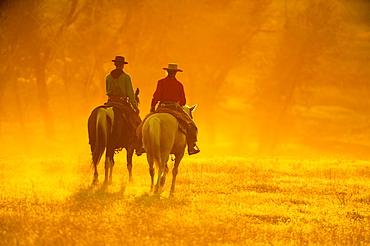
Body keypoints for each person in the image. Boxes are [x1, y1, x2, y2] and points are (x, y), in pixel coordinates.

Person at [150, 63, 200, 155]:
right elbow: (183, 102)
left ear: (167, 71)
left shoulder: (160, 82)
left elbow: (156, 95)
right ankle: (191, 146)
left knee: (146, 122)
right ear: (176, 73)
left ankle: (142, 145)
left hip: (162, 107)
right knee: (191, 125)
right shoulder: (179, 84)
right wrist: (178, 104)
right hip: (175, 107)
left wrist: (153, 106)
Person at [106, 56, 144, 155]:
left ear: (114, 64)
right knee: (138, 123)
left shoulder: (108, 77)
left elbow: (107, 91)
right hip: (122, 103)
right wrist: (135, 107)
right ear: (123, 65)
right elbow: (131, 95)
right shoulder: (126, 77)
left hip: (110, 102)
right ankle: (138, 145)